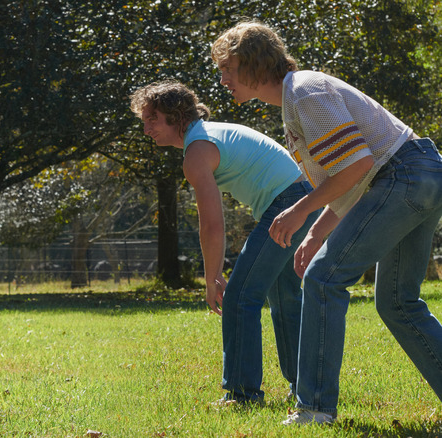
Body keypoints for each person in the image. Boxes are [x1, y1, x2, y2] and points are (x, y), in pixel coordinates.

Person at [212, 21, 442, 425]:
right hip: (417, 176)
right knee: (398, 303)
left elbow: (359, 166)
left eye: (227, 66)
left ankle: (314, 407)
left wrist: (301, 210)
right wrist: (317, 231)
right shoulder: (295, 98)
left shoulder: (304, 91)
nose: (222, 78)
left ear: (252, 63)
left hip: (402, 176)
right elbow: (350, 177)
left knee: (323, 279)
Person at [130, 80, 320, 405]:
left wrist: (212, 277)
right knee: (284, 296)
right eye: (144, 120)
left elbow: (213, 226)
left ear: (176, 116)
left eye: (153, 119)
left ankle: (242, 395)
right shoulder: (208, 135)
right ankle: (305, 389)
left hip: (290, 203)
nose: (147, 128)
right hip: (304, 198)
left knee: (240, 296)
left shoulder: (197, 150)